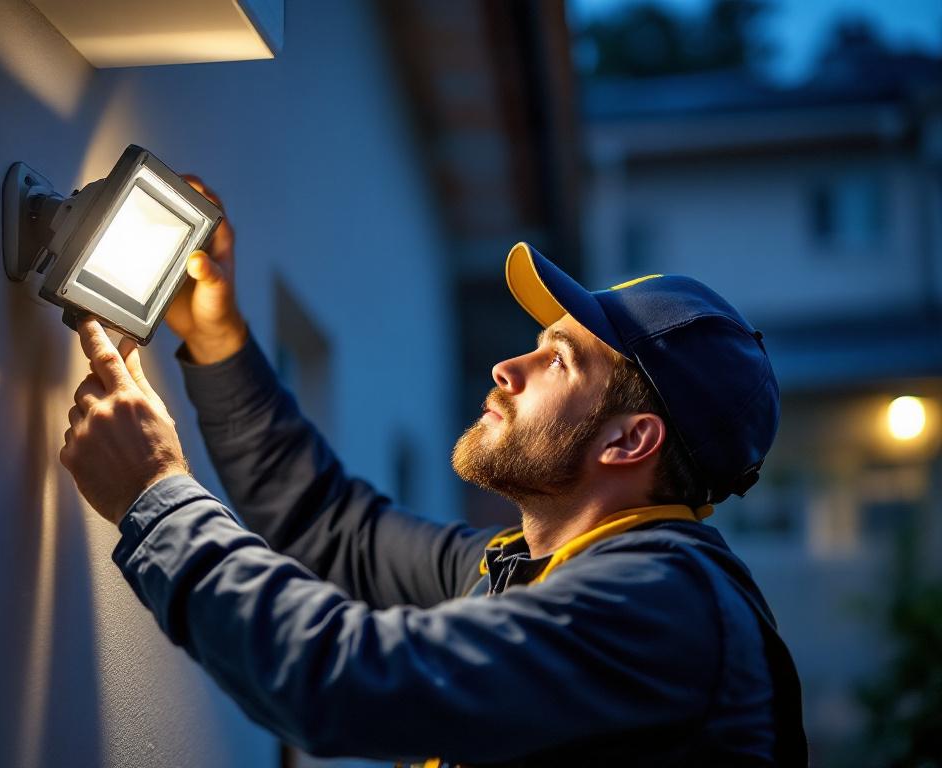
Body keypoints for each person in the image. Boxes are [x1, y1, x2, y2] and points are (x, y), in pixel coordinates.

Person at [58, 179, 808, 767]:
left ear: (629, 440)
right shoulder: (524, 570)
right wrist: (219, 341)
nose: (507, 367)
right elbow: (331, 525)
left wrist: (157, 496)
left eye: (558, 359)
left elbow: (348, 682)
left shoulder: (658, 607)